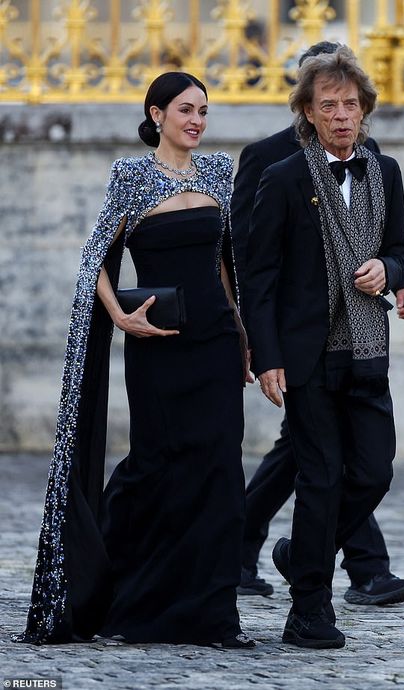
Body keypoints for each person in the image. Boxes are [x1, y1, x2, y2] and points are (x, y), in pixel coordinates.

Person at [14, 72, 255, 649]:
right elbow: (95, 258)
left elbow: (227, 265)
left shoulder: (221, 171)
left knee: (220, 472)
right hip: (157, 346)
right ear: (156, 115)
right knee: (156, 466)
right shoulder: (131, 175)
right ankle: (125, 594)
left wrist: (244, 335)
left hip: (216, 343)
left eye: (203, 111)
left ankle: (213, 617)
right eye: (185, 110)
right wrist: (120, 318)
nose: (196, 120)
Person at [232, 42, 404, 605]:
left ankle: (288, 552)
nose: (341, 114)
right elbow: (251, 258)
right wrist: (258, 342)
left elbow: (393, 243)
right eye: (328, 103)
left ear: (363, 105)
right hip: (303, 342)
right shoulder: (270, 160)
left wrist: (393, 273)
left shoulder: (377, 162)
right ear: (306, 105)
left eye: (350, 103)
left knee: (345, 465)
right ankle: (354, 572)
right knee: (322, 466)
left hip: (363, 344)